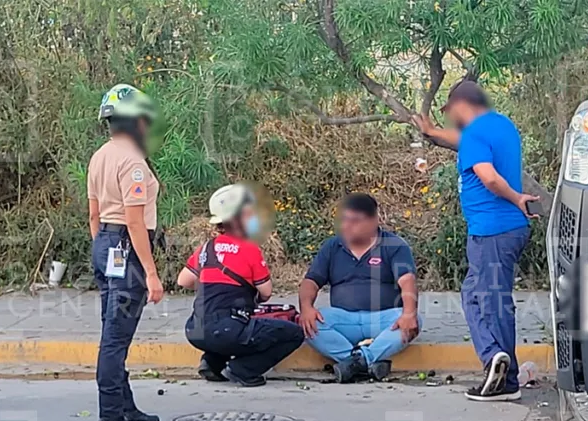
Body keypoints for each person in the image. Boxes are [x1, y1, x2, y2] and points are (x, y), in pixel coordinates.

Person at [413, 79, 539, 402]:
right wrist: (431, 133)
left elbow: (490, 177)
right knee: (477, 294)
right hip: (508, 230)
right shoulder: (501, 126)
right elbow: (463, 141)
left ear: (461, 105)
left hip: (491, 231)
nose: (450, 118)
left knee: (491, 300)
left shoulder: (476, 134)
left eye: (450, 110)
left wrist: (516, 197)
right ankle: (498, 360)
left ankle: (502, 374)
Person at [87, 84, 164, 421]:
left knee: (113, 332)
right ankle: (111, 418)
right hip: (127, 247)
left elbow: (93, 215)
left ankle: (125, 406)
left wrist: (104, 252)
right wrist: (150, 273)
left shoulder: (100, 156)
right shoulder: (132, 162)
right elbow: (134, 222)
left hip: (106, 243)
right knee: (116, 339)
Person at [177, 184, 304, 387]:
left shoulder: (206, 248)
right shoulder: (249, 249)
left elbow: (183, 280)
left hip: (195, 330)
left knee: (230, 330)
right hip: (228, 329)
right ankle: (243, 370)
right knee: (292, 334)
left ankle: (211, 362)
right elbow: (266, 292)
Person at [299, 193, 421, 383]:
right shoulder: (332, 246)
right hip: (343, 319)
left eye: (355, 221)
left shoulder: (394, 245)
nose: (347, 225)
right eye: (344, 220)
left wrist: (408, 313)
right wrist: (306, 308)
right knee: (308, 324)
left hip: (384, 319)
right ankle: (366, 362)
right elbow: (310, 282)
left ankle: (353, 363)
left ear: (374, 220)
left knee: (413, 320)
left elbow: (407, 281)